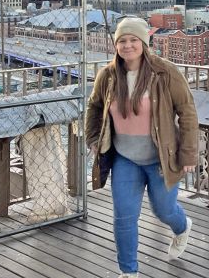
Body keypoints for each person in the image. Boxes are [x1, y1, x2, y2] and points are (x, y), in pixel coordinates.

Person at [85, 17, 199, 278]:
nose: (127, 45)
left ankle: (182, 227)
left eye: (133, 40)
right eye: (122, 41)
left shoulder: (165, 72)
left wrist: (188, 153)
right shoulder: (108, 75)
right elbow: (94, 107)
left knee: (164, 210)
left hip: (160, 157)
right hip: (124, 158)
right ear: (115, 45)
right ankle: (128, 272)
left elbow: (188, 112)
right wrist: (94, 139)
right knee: (124, 217)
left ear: (144, 42)